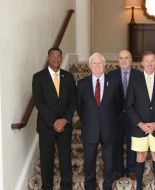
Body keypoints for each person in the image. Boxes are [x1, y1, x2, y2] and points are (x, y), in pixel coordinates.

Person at [126, 51, 155, 190]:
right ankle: (139, 186)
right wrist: (140, 124)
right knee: (140, 155)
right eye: (147, 61)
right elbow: (129, 106)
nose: (150, 63)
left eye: (152, 61)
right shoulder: (134, 80)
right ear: (142, 63)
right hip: (139, 127)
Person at [32, 47, 76, 190]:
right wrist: (53, 122)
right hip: (46, 126)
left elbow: (73, 100)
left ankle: (66, 187)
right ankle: (47, 187)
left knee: (65, 160)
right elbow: (39, 102)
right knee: (46, 161)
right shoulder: (38, 77)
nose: (56, 59)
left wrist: (64, 120)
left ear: (61, 58)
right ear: (48, 57)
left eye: (59, 56)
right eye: (53, 56)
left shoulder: (68, 77)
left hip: (65, 125)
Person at [77, 53, 121, 190]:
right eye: (94, 64)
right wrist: (89, 121)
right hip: (90, 129)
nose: (97, 66)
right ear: (89, 66)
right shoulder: (82, 84)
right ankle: (90, 187)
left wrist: (109, 120)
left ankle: (107, 185)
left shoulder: (114, 83)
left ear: (105, 65)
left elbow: (119, 105)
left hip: (109, 128)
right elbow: (79, 107)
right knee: (89, 162)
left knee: (109, 162)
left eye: (100, 63)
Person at [108, 49, 140, 180]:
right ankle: (118, 169)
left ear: (131, 60)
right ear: (118, 60)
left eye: (126, 58)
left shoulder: (139, 75)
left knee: (133, 143)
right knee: (116, 143)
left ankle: (132, 169)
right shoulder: (111, 75)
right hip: (116, 116)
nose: (123, 60)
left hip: (133, 116)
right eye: (121, 58)